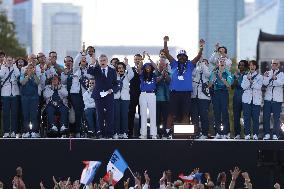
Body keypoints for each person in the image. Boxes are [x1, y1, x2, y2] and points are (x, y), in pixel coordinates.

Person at [163, 36, 204, 131]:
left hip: (186, 93)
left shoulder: (190, 64)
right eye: (180, 56)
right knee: (172, 113)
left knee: (186, 113)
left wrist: (201, 47)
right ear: (177, 57)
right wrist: (165, 42)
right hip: (174, 93)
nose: (182, 57)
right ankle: (167, 132)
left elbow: (198, 57)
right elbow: (166, 52)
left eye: (183, 56)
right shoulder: (173, 63)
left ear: (186, 57)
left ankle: (183, 132)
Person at [87, 54, 119, 138]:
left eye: (104, 60)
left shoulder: (112, 71)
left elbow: (116, 84)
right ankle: (100, 133)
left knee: (110, 115)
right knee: (99, 115)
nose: (102, 62)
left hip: (109, 96)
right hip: (98, 96)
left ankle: (109, 134)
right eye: (101, 61)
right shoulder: (96, 69)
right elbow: (89, 71)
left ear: (107, 61)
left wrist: (111, 90)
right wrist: (92, 63)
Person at [209, 58, 233, 139]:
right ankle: (218, 132)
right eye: (220, 61)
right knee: (217, 113)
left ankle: (226, 133)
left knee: (224, 112)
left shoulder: (228, 73)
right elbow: (210, 84)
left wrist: (221, 77)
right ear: (218, 64)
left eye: (223, 61)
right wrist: (214, 78)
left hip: (224, 93)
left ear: (225, 64)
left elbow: (229, 85)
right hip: (216, 93)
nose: (221, 62)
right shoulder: (214, 73)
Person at [71, 52, 92, 137]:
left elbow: (90, 62)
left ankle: (86, 130)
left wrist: (86, 55)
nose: (83, 62)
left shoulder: (90, 71)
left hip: (85, 93)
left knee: (85, 112)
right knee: (78, 113)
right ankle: (78, 131)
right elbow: (76, 62)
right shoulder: (76, 69)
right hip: (75, 94)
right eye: (82, 61)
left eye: (84, 61)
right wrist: (81, 54)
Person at [241, 60, 263, 140]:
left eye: (253, 65)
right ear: (249, 67)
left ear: (256, 66)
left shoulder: (260, 77)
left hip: (256, 100)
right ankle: (247, 134)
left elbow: (259, 87)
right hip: (247, 100)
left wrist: (251, 81)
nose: (252, 66)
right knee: (246, 118)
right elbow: (243, 86)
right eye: (250, 65)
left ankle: (255, 134)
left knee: (255, 118)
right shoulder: (245, 76)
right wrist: (248, 81)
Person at [263, 59, 284, 140]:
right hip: (268, 98)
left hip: (277, 99)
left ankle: (275, 134)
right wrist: (265, 77)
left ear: (278, 65)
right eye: (273, 63)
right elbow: (265, 83)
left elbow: (281, 83)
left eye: (276, 63)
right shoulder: (268, 73)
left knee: (276, 118)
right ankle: (267, 134)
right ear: (271, 64)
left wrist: (274, 79)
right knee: (266, 117)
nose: (274, 65)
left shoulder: (281, 74)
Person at [113, 58, 134, 139]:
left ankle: (124, 132)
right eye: (119, 68)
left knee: (124, 116)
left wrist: (127, 64)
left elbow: (132, 73)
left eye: (122, 68)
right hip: (116, 98)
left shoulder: (127, 76)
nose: (120, 69)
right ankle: (116, 132)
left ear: (124, 69)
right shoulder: (114, 77)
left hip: (125, 99)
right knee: (116, 116)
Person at [0, 56, 20, 138]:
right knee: (6, 114)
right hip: (5, 93)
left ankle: (14, 131)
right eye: (8, 60)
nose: (9, 62)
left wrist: (14, 66)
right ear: (5, 60)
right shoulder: (3, 68)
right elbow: (1, 75)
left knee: (14, 114)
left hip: (15, 93)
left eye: (11, 60)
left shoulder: (14, 68)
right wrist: (4, 66)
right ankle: (6, 132)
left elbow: (18, 75)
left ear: (13, 60)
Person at [138, 61, 158, 139]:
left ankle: (153, 134)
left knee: (153, 114)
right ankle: (143, 134)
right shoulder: (142, 75)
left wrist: (150, 60)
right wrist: (142, 60)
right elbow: (139, 69)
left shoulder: (154, 75)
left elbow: (156, 68)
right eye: (146, 66)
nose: (148, 68)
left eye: (149, 66)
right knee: (143, 114)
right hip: (143, 94)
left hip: (152, 94)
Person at [191, 58, 211, 139]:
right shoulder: (196, 70)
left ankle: (205, 133)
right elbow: (192, 75)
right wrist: (198, 66)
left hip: (204, 96)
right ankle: (195, 133)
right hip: (194, 95)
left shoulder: (208, 70)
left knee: (203, 115)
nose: (202, 63)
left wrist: (203, 65)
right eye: (201, 62)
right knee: (194, 116)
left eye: (205, 62)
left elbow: (208, 75)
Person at [20, 63, 40, 138]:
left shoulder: (35, 76)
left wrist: (33, 75)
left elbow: (38, 82)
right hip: (25, 98)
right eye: (29, 68)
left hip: (34, 98)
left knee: (33, 116)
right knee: (26, 115)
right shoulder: (23, 75)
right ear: (27, 69)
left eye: (32, 68)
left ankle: (34, 131)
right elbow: (22, 83)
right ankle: (26, 131)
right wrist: (28, 76)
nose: (30, 70)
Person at [231, 60, 248, 139]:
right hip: (237, 97)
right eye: (240, 65)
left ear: (246, 66)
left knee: (245, 116)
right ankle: (237, 134)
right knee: (236, 116)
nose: (241, 66)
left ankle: (246, 133)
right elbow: (232, 87)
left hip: (245, 97)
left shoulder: (248, 75)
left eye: (243, 65)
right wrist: (236, 78)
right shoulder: (235, 74)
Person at [155, 57, 171, 138]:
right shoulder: (154, 73)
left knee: (165, 117)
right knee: (156, 117)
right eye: (160, 64)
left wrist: (166, 73)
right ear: (157, 65)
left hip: (166, 99)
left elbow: (169, 81)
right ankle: (157, 132)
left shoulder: (168, 73)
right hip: (156, 100)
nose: (161, 66)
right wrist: (161, 75)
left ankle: (165, 133)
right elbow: (155, 81)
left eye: (163, 64)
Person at [128, 54, 143, 138]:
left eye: (139, 59)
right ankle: (129, 133)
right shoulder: (131, 69)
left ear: (141, 60)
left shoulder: (145, 69)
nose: (137, 60)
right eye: (136, 59)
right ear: (134, 60)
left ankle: (141, 133)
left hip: (142, 94)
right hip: (132, 94)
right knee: (131, 114)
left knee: (142, 114)